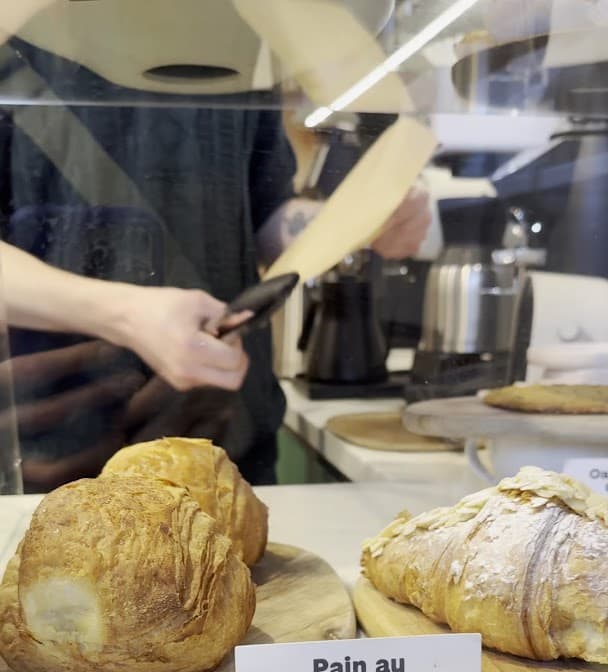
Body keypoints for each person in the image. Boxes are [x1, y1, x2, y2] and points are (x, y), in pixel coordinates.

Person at [0, 24, 431, 491]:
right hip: (51, 443)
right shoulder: (19, 28)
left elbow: (265, 217)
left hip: (226, 438)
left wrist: (362, 219)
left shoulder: (237, 34)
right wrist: (123, 314)